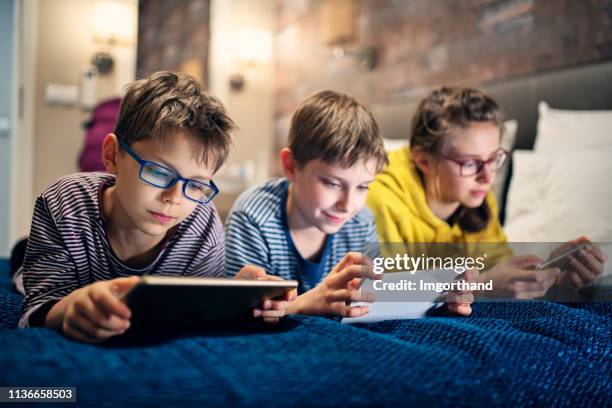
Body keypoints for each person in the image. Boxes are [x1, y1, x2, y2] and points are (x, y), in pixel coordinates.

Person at [18, 71, 291, 343]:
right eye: (159, 173)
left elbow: (194, 317)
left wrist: (236, 297)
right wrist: (69, 309)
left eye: (195, 185)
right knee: (21, 272)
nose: (175, 197)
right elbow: (34, 312)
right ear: (112, 155)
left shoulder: (202, 225)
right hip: (61, 259)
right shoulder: (63, 203)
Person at [225, 90, 474, 317]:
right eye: (332, 183)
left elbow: (373, 293)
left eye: (363, 186)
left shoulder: (361, 220)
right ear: (291, 166)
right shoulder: (254, 217)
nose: (348, 204)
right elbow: (239, 313)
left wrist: (436, 296)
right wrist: (304, 304)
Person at [367, 86, 606, 299]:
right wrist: (482, 286)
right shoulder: (379, 199)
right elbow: (383, 295)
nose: (488, 177)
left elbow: (498, 270)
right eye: (470, 163)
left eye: (494, 159)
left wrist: (553, 277)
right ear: (424, 161)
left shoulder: (478, 198)